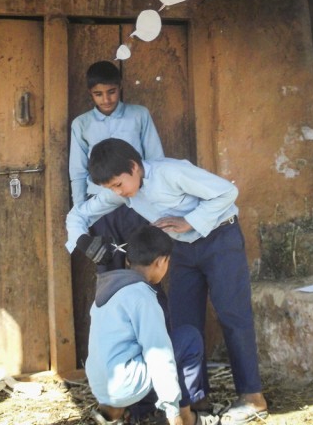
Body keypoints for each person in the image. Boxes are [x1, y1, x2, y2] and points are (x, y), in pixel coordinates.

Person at [68, 138, 268, 424]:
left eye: (118, 184)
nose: (117, 193)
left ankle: (252, 397)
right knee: (183, 322)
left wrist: (190, 221)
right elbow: (78, 214)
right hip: (181, 249)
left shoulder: (171, 172)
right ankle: (194, 400)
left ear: (134, 167)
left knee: (232, 314)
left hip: (220, 239)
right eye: (111, 188)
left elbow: (227, 192)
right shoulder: (125, 192)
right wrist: (83, 240)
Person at [85, 224, 220, 425]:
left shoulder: (107, 292)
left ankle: (112, 416)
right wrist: (173, 410)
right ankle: (186, 415)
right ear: (161, 262)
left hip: (100, 386)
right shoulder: (143, 297)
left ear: (128, 261)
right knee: (188, 338)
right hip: (127, 384)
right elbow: (160, 356)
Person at [69, 60, 164, 272]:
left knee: (144, 263)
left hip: (138, 200)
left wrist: (156, 201)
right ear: (90, 93)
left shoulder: (139, 115)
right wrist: (81, 210)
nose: (106, 99)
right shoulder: (81, 124)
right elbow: (77, 171)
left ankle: (146, 304)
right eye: (98, 94)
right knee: (108, 265)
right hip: (101, 205)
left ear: (120, 87)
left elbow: (156, 158)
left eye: (111, 91)